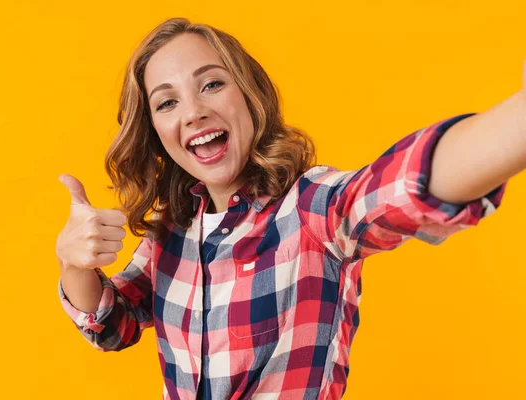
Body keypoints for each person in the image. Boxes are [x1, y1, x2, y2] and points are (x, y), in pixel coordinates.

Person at [55, 17, 525, 400]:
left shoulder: (309, 209)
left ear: (249, 94)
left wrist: (517, 123)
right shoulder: (170, 232)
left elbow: (403, 184)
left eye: (212, 84)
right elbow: (112, 326)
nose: (192, 112)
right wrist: (72, 262)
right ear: (156, 130)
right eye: (167, 102)